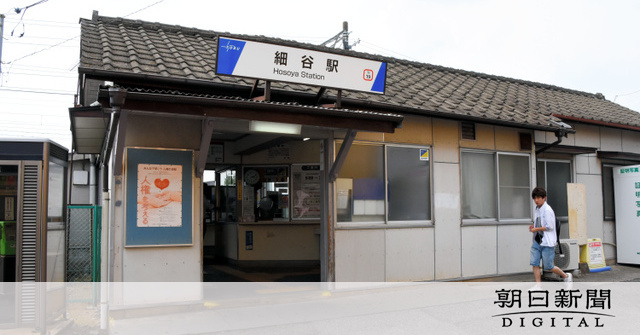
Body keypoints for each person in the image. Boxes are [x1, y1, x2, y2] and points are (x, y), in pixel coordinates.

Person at [529, 187, 572, 289]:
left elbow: (550, 227)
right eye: (535, 198)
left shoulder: (547, 210)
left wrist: (536, 229)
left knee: (548, 266)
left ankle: (566, 276)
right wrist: (534, 227)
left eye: (539, 198)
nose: (536, 200)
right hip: (537, 241)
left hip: (547, 242)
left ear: (544, 198)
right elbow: (538, 222)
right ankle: (538, 286)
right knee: (534, 263)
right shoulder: (537, 209)